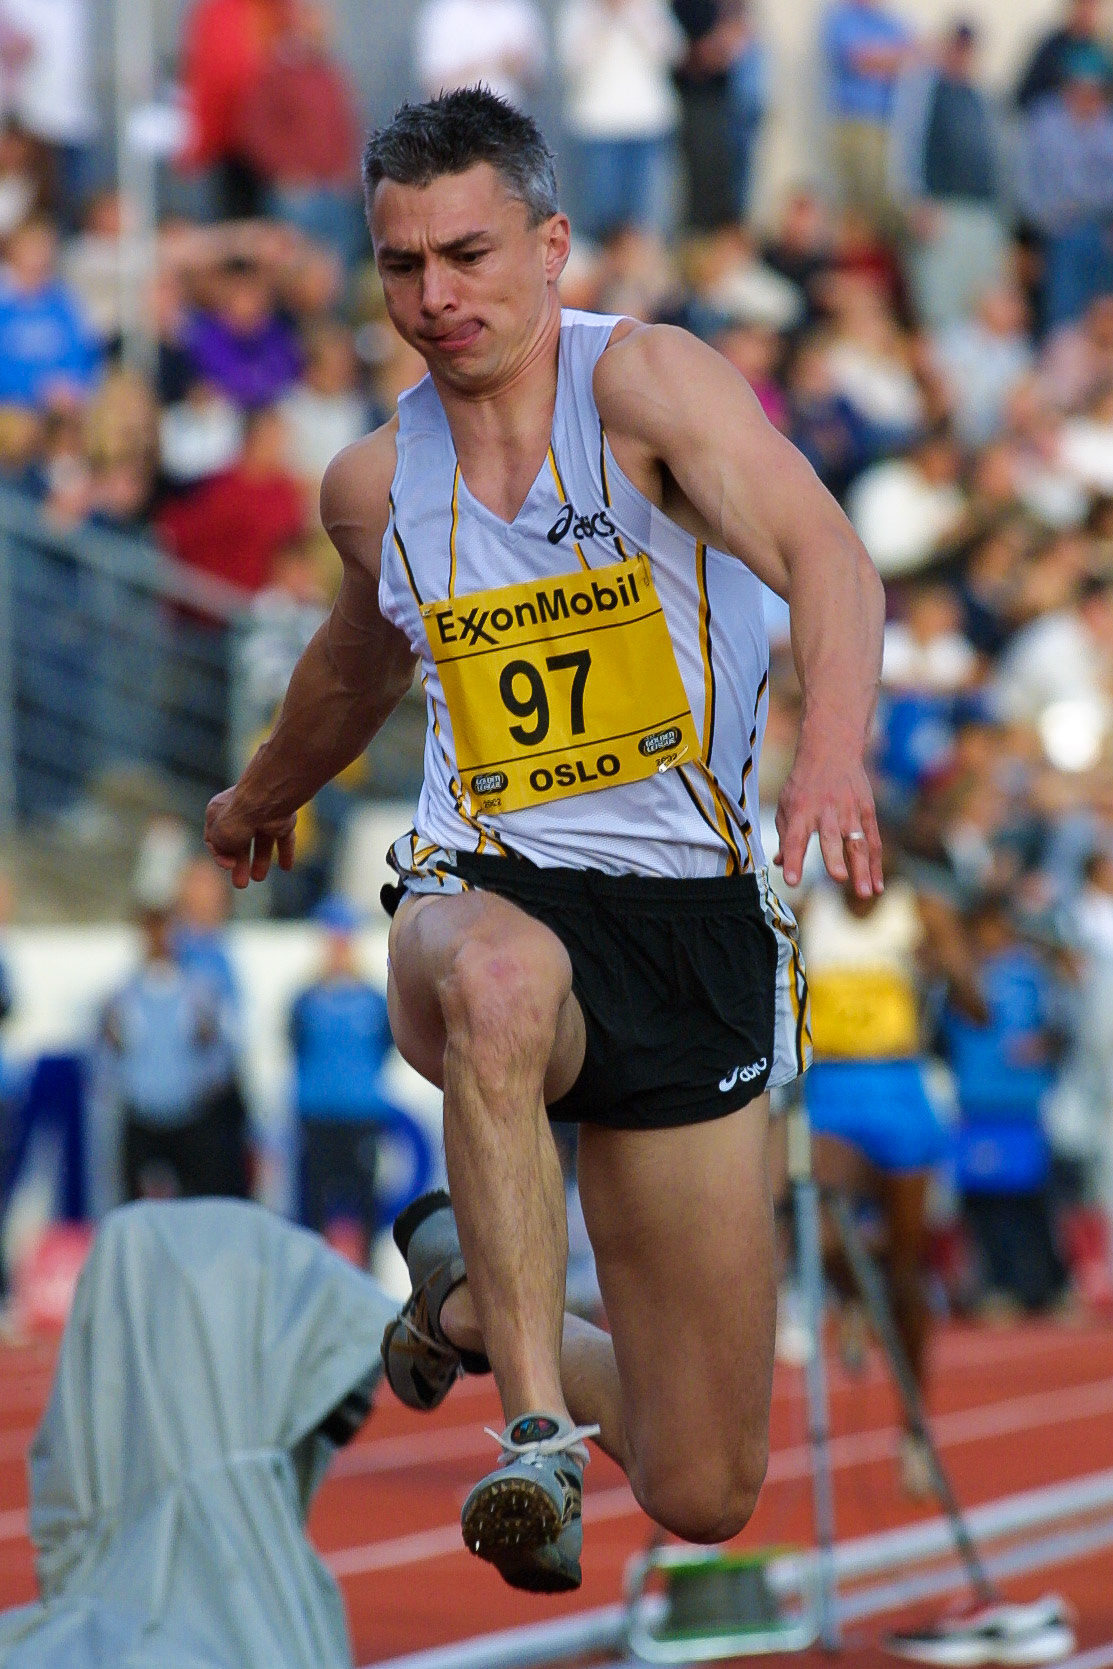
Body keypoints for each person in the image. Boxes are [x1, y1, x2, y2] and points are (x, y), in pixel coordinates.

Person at [204, 88, 884, 1593]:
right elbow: (354, 671)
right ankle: (530, 1446)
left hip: (693, 922)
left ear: (552, 245)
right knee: (499, 991)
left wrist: (830, 743)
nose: (433, 297)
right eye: (399, 266)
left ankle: (458, 1294)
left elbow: (823, 547)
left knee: (708, 1487)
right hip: (486, 891)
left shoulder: (646, 389)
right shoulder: (379, 486)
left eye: (465, 253)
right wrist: (261, 796)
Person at [799, 874, 979, 1495]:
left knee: (908, 1275)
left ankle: (914, 1431)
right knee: (814, 1234)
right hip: (830, 1092)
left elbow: (977, 1010)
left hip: (901, 1090)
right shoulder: (808, 910)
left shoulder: (919, 909)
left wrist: (945, 966)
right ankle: (852, 1290)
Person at [290, 895, 398, 1262]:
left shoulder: (373, 1000)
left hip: (360, 1117)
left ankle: (366, 1279)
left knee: (366, 1208)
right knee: (312, 1209)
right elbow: (294, 1043)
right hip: (318, 1117)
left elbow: (387, 1045)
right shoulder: (305, 999)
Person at [889, 21, 1006, 331]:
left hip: (980, 212)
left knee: (978, 303)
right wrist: (915, 200)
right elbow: (906, 143)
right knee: (940, 308)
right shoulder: (924, 89)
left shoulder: (981, 96)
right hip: (941, 210)